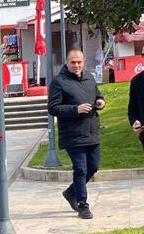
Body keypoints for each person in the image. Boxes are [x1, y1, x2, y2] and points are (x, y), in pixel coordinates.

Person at [47, 48, 105, 220]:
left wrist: (100, 101)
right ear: (67, 62)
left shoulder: (89, 78)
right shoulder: (59, 82)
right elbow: (53, 108)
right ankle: (83, 205)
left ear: (84, 62)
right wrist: (75, 109)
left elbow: (98, 95)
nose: (77, 65)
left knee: (93, 167)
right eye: (73, 62)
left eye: (79, 62)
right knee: (80, 169)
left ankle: (71, 192)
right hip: (72, 134)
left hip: (91, 130)